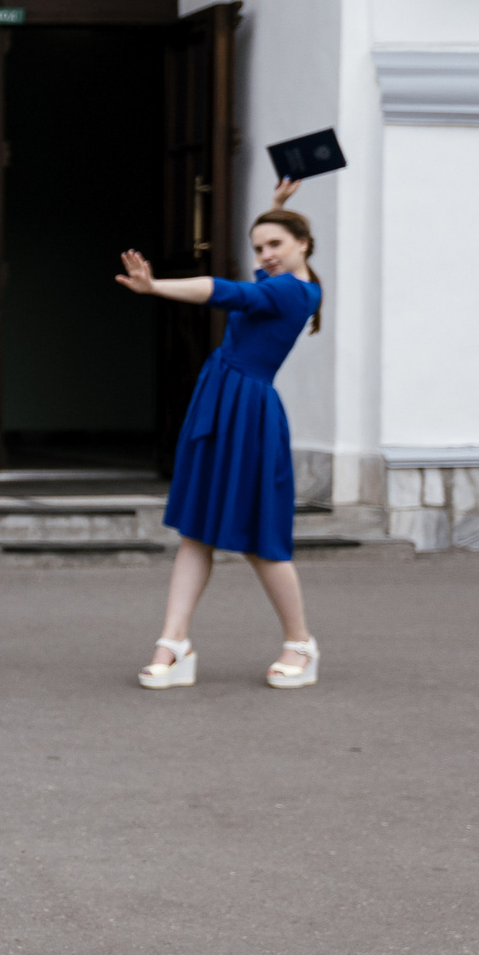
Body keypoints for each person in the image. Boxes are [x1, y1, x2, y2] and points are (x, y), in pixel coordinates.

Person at [116, 189, 325, 690]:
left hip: (248, 412)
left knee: (260, 539)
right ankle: (173, 643)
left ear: (304, 244)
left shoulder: (295, 292)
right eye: (258, 247)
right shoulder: (278, 282)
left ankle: (300, 643)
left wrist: (156, 287)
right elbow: (251, 284)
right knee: (195, 530)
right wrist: (276, 200)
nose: (265, 255)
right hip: (221, 399)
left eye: (275, 243)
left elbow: (227, 292)